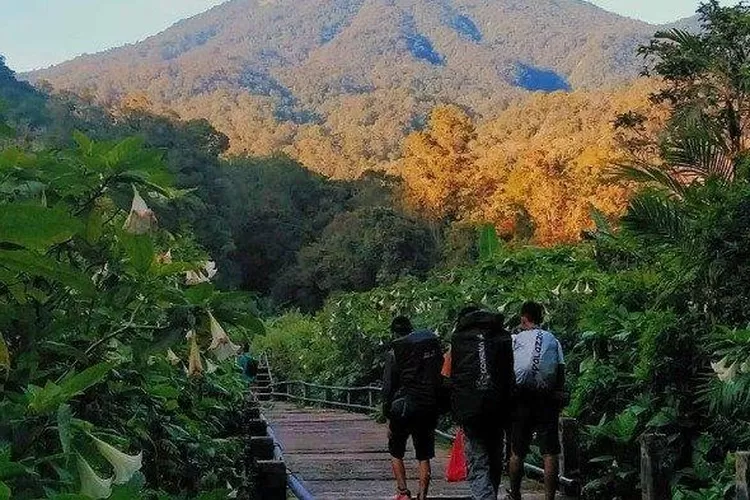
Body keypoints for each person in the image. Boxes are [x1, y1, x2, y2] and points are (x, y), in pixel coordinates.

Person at [450, 306, 515, 500]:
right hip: (498, 407)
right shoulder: (502, 336)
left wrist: (457, 410)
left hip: (471, 409)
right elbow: (508, 374)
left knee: (478, 460)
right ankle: (490, 494)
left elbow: (456, 376)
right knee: (495, 456)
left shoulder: (459, 339)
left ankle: (485, 497)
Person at [508, 301, 567, 500]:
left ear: (523, 318)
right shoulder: (553, 339)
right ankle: (549, 497)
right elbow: (560, 369)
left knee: (517, 451)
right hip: (547, 399)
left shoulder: (515, 338)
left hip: (521, 399)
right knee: (550, 452)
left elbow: (509, 368)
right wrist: (558, 394)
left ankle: (515, 494)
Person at [383, 316, 444, 500]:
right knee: (423, 454)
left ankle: (403, 493)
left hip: (401, 407)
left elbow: (388, 388)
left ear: (394, 333)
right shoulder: (426, 350)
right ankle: (423, 495)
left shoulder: (395, 353)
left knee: (396, 451)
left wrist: (387, 416)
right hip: (426, 405)